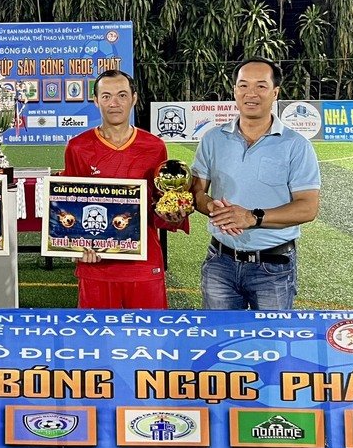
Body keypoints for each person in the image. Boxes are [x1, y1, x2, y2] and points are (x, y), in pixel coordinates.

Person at [191, 57, 321, 310]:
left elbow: (308, 208)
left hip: (273, 266)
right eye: (243, 85)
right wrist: (211, 207)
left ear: (275, 92)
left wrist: (252, 217)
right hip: (220, 262)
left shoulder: (296, 145)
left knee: (272, 336)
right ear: (235, 91)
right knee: (220, 333)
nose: (251, 93)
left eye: (261, 86)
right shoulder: (213, 139)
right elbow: (197, 191)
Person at [61, 69, 187, 309]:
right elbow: (68, 205)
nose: (114, 103)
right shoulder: (77, 147)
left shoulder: (154, 147)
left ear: (134, 98)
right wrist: (75, 246)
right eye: (106, 96)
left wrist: (173, 214)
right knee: (96, 332)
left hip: (143, 262)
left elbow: (161, 203)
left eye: (121, 95)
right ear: (96, 101)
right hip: (96, 263)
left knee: (149, 331)